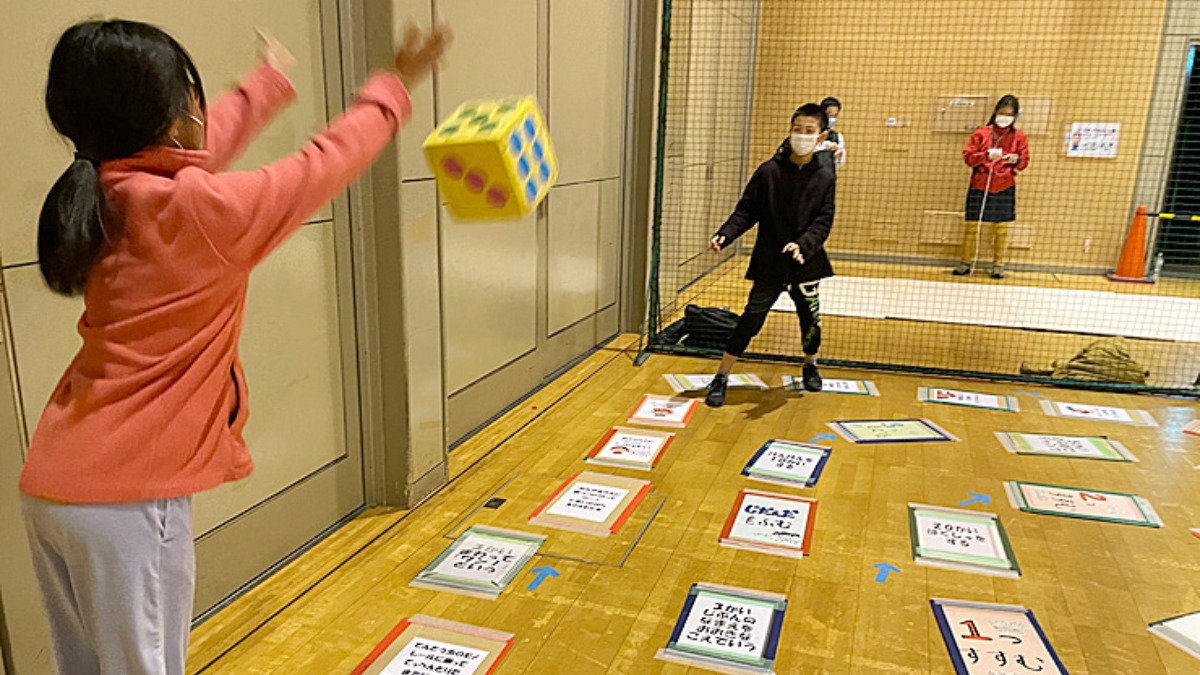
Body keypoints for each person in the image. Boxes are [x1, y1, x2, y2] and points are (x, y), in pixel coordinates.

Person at [19, 19, 450, 674]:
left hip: (53, 485)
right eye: (192, 98)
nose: (202, 112)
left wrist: (265, 85)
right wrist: (392, 86)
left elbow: (195, 150)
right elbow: (321, 165)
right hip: (128, 499)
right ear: (173, 123)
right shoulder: (200, 212)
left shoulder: (107, 194)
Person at [705, 103, 837, 407]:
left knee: (810, 319)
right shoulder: (768, 171)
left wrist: (803, 245)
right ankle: (722, 375)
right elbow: (747, 210)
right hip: (769, 262)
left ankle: (811, 364)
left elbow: (824, 220)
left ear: (821, 137)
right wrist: (726, 234)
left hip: (806, 263)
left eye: (809, 131)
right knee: (751, 319)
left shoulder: (825, 177)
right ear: (789, 131)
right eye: (797, 129)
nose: (801, 135)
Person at [954, 94, 1029, 279]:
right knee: (972, 226)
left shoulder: (1019, 137)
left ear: (1015, 116)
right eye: (1002, 113)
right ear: (995, 112)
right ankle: (965, 263)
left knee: (1001, 229)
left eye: (1009, 115)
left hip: (1004, 186)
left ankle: (999, 265)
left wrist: (1016, 159)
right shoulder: (981, 133)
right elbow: (968, 158)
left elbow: (1024, 163)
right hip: (980, 184)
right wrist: (985, 156)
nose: (1005, 117)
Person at [815, 96, 846, 169]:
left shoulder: (837, 136)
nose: (832, 118)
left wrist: (838, 154)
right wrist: (826, 146)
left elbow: (839, 163)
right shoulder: (811, 132)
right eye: (829, 114)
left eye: (835, 116)